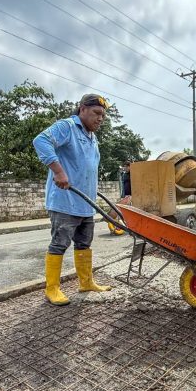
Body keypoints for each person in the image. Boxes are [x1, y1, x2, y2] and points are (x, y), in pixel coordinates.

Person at [33, 93, 112, 305]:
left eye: (103, 115)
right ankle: (52, 289)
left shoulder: (92, 137)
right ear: (82, 109)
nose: (100, 118)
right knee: (59, 244)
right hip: (65, 202)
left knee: (84, 244)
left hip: (85, 202)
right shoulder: (67, 126)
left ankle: (86, 282)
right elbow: (41, 141)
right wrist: (59, 172)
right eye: (96, 113)